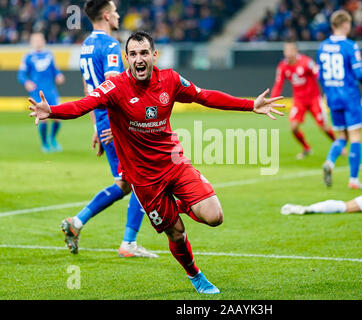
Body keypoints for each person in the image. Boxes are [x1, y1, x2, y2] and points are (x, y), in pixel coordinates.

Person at [28, 31, 285, 294]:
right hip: (145, 181)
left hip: (174, 164)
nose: (139, 59)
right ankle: (195, 275)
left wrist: (250, 105)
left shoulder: (170, 80)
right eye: (133, 54)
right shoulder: (115, 87)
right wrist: (52, 111)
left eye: (143, 53)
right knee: (177, 234)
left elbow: (204, 96)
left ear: (154, 55)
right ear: (126, 59)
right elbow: (84, 104)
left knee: (215, 217)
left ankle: (180, 205)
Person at [60, 0, 157, 258]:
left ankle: (76, 222)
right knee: (143, 179)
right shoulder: (111, 45)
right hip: (116, 121)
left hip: (103, 119)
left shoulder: (85, 46)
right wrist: (119, 126)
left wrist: (97, 124)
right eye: (114, 11)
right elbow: (114, 88)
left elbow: (87, 89)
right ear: (106, 15)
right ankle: (129, 243)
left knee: (124, 183)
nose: (117, 14)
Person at [316, 10, 362, 189]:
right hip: (349, 97)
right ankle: (353, 179)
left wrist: (326, 91)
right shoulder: (350, 46)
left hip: (333, 97)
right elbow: (359, 72)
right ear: (345, 25)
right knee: (355, 137)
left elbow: (320, 75)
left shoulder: (322, 47)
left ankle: (330, 162)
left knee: (341, 137)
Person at [271, 41, 336, 159]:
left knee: (323, 127)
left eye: (290, 50)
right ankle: (307, 148)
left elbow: (320, 76)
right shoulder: (282, 66)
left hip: (314, 99)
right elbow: (278, 84)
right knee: (293, 128)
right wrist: (272, 100)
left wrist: (328, 91)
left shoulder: (307, 62)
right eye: (286, 51)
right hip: (299, 101)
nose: (288, 53)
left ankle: (338, 146)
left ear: (296, 51)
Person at [18, 32, 65, 153]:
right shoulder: (27, 57)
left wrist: (59, 75)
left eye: (40, 39)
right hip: (37, 93)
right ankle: (45, 144)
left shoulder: (49, 54)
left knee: (58, 118)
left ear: (44, 41)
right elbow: (21, 74)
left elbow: (55, 70)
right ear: (31, 42)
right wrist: (26, 82)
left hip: (51, 91)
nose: (38, 42)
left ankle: (52, 139)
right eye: (36, 40)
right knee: (44, 118)